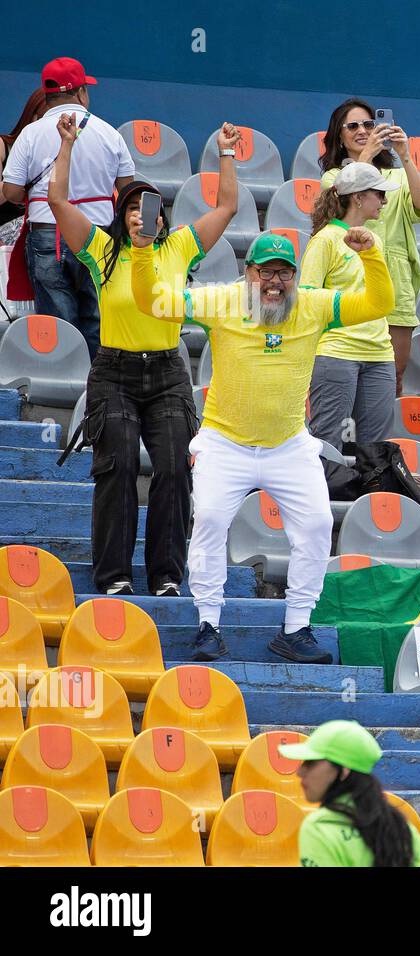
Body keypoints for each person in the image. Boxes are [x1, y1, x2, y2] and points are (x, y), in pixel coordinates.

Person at [129, 225, 394, 664]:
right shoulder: (222, 300)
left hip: (288, 443)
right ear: (247, 272)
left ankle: (296, 628)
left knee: (316, 524)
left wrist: (371, 257)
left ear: (295, 276)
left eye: (284, 273)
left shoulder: (311, 303)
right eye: (264, 272)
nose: (274, 282)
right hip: (225, 441)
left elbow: (379, 303)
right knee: (211, 519)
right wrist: (140, 253)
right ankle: (208, 623)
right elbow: (152, 301)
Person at [52, 116, 240, 597]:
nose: (140, 213)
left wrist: (225, 152)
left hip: (167, 373)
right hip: (114, 371)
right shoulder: (103, 249)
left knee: (176, 467)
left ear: (162, 215)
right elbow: (57, 201)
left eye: (149, 205)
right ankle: (114, 574)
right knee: (117, 467)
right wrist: (67, 146)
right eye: (131, 206)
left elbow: (228, 205)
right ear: (122, 214)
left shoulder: (180, 247)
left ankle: (167, 576)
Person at [2, 57, 135, 358]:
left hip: (47, 233)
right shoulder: (109, 133)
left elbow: (10, 191)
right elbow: (129, 190)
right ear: (80, 92)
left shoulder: (31, 134)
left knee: (57, 324)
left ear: (47, 95)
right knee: (98, 321)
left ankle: (65, 383)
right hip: (97, 235)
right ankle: (97, 390)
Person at [319, 98, 420, 395]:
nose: (362, 130)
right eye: (352, 125)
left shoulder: (394, 176)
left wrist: (404, 155)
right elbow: (339, 197)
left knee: (391, 378)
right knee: (347, 375)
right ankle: (346, 441)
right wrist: (366, 156)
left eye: (369, 124)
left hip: (395, 282)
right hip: (349, 280)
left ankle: (378, 443)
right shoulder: (333, 176)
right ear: (339, 137)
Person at [304, 161, 400, 450]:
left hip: (380, 352)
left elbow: (381, 296)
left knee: (376, 451)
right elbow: (307, 300)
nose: (384, 200)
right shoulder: (325, 240)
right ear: (358, 197)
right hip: (336, 352)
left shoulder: (376, 241)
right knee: (328, 443)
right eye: (379, 194)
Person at [280, 720, 420, 867]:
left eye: (311, 762)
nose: (300, 772)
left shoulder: (319, 829)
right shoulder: (402, 828)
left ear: (343, 770)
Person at [0, 88, 47, 239]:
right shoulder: (3, 145)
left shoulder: (64, 153)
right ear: (34, 118)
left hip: (45, 236)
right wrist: (22, 171)